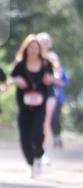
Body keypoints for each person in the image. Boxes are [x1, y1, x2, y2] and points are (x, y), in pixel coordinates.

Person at [10, 34, 54, 178]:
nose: (34, 49)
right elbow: (10, 78)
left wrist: (49, 80)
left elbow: (50, 79)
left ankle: (38, 157)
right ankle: (29, 163)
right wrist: (17, 80)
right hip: (24, 105)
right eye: (31, 47)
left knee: (37, 132)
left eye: (36, 47)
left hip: (40, 105)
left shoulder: (46, 64)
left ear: (40, 49)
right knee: (24, 135)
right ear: (26, 48)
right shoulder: (20, 64)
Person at [36, 32, 58, 162]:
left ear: (49, 43)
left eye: (46, 41)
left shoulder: (52, 57)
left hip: (49, 92)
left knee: (46, 121)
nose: (44, 43)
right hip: (34, 93)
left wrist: (51, 78)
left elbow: (58, 75)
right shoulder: (32, 56)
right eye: (41, 41)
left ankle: (47, 151)